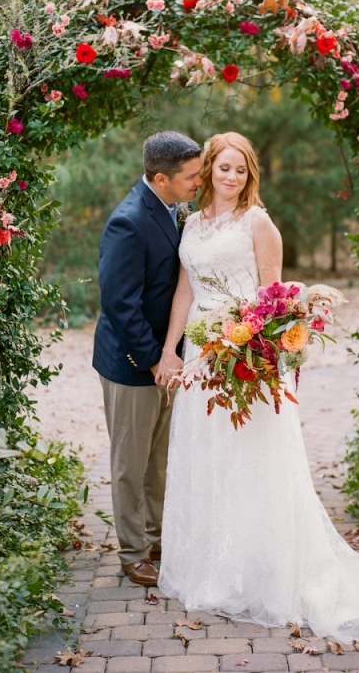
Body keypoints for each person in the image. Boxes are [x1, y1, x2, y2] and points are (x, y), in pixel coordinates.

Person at [155, 131, 359, 641]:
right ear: (208, 169)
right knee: (207, 457)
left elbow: (265, 303)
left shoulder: (259, 223)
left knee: (250, 459)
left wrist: (218, 348)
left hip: (242, 354)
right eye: (223, 168)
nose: (230, 177)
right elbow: (185, 290)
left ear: (249, 174)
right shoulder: (191, 221)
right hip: (195, 356)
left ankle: (262, 573)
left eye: (240, 169)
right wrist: (172, 352)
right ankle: (211, 568)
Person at [92, 131, 202, 586]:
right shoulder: (129, 221)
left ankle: (157, 539)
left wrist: (173, 354)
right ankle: (133, 552)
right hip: (132, 362)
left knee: (158, 459)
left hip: (165, 359)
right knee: (130, 464)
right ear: (162, 178)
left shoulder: (172, 209)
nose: (200, 182)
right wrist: (156, 359)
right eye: (192, 177)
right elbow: (120, 304)